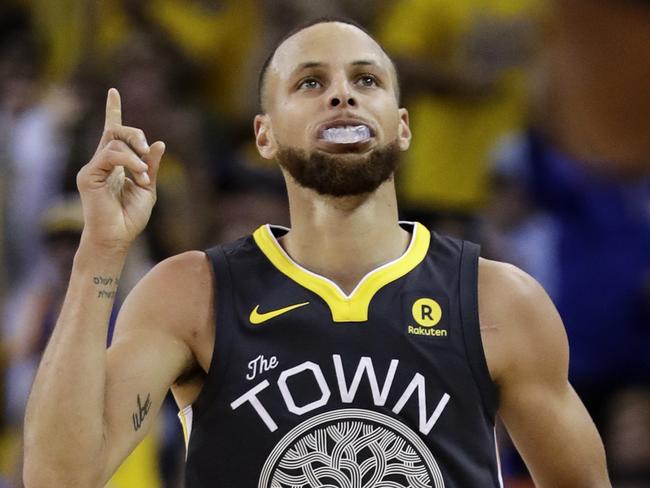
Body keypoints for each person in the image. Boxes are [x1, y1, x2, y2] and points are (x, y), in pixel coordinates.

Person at [23, 18, 611, 487]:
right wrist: (101, 251)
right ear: (264, 134)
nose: (341, 97)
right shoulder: (192, 293)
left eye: (366, 81)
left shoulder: (498, 299)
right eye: (310, 83)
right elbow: (59, 479)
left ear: (401, 125)